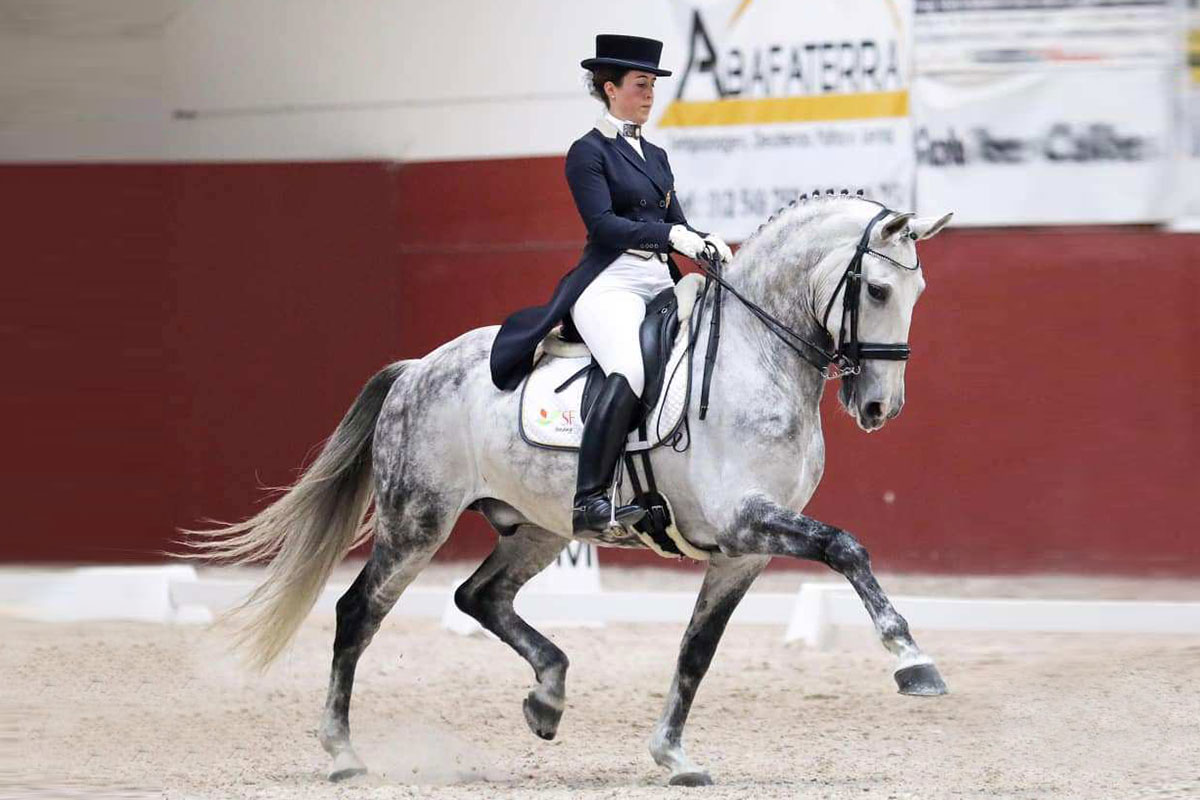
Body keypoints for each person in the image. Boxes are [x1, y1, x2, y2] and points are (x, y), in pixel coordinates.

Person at [488, 34, 733, 533]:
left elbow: (676, 221)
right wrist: (673, 234)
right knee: (631, 367)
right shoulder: (588, 152)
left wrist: (706, 242)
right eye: (641, 85)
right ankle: (591, 500)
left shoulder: (657, 155)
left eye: (651, 86)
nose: (649, 95)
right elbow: (603, 226)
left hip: (657, 279)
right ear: (610, 88)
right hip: (610, 282)